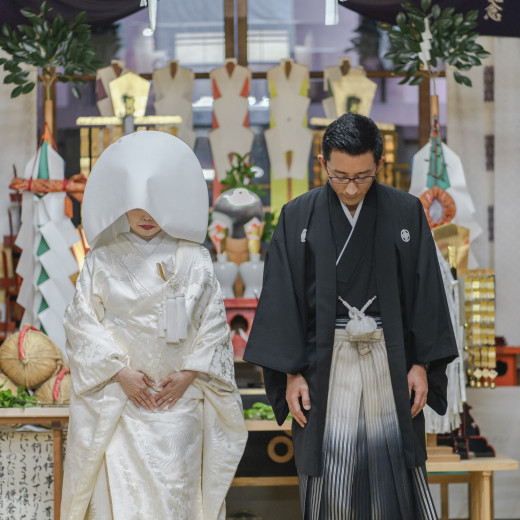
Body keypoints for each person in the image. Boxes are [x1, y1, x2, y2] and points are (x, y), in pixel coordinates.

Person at [243, 113, 458, 519]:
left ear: (378, 164)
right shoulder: (296, 215)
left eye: (363, 176)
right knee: (331, 481)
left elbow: (426, 292)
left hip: (389, 360)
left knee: (392, 472)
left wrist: (421, 364)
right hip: (324, 365)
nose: (352, 187)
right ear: (322, 163)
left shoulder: (406, 211)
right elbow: (281, 299)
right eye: (341, 176)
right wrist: (291, 374)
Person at [61, 131, 247, 520]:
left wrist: (190, 373)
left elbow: (213, 324)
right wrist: (119, 372)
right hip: (119, 404)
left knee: (176, 500)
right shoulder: (102, 259)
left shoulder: (195, 258)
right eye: (135, 205)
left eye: (155, 204)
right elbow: (80, 324)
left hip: (178, 404)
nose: (146, 216)